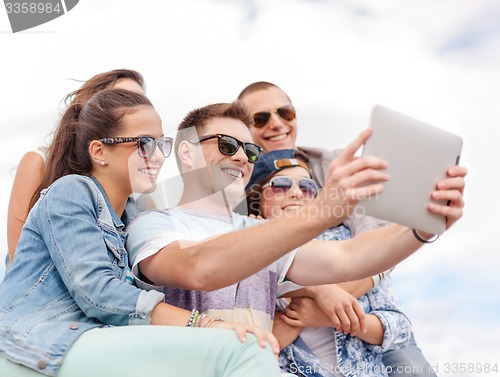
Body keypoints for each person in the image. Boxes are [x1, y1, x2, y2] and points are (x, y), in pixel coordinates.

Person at [125, 102, 465, 343]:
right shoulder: (152, 223)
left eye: (250, 151)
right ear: (187, 153)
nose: (243, 157)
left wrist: (422, 228)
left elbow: (347, 258)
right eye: (228, 146)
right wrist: (321, 211)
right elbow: (197, 268)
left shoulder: (261, 232)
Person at [0, 90, 281, 377]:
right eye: (145, 144)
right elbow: (98, 293)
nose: (158, 155)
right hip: (34, 343)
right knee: (243, 347)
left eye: (161, 143)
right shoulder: (71, 191)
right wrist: (205, 323)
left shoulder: (131, 216)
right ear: (99, 152)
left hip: (91, 342)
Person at [238, 81, 443, 376]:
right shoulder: (235, 188)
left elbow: (373, 253)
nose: (276, 123)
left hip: (366, 322)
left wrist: (320, 306)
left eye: (285, 112)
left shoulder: (334, 166)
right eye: (261, 118)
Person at [247, 148, 412, 377]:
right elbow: (249, 343)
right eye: (281, 185)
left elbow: (400, 328)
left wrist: (335, 318)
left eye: (307, 187)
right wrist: (315, 292)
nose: (296, 193)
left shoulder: (345, 242)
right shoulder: (246, 255)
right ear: (257, 201)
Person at [6, 69, 145, 266]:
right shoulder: (39, 163)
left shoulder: (136, 195)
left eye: (141, 101)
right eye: (123, 99)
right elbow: (20, 258)